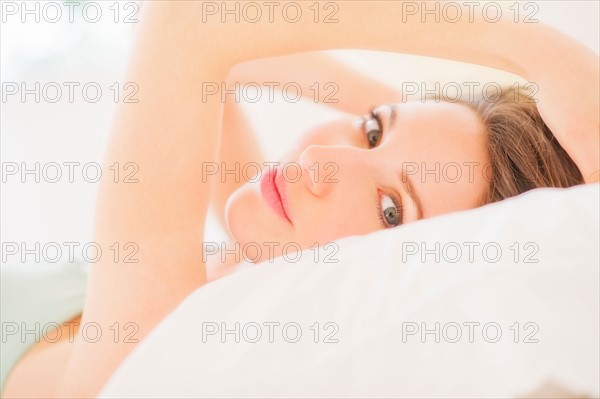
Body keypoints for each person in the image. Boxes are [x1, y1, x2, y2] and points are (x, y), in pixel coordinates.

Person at [2, 1, 598, 397]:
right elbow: (230, 71)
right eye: (369, 130)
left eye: (391, 211)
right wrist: (404, 112)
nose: (315, 162)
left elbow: (188, 20)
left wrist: (542, 54)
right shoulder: (234, 272)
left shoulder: (152, 329)